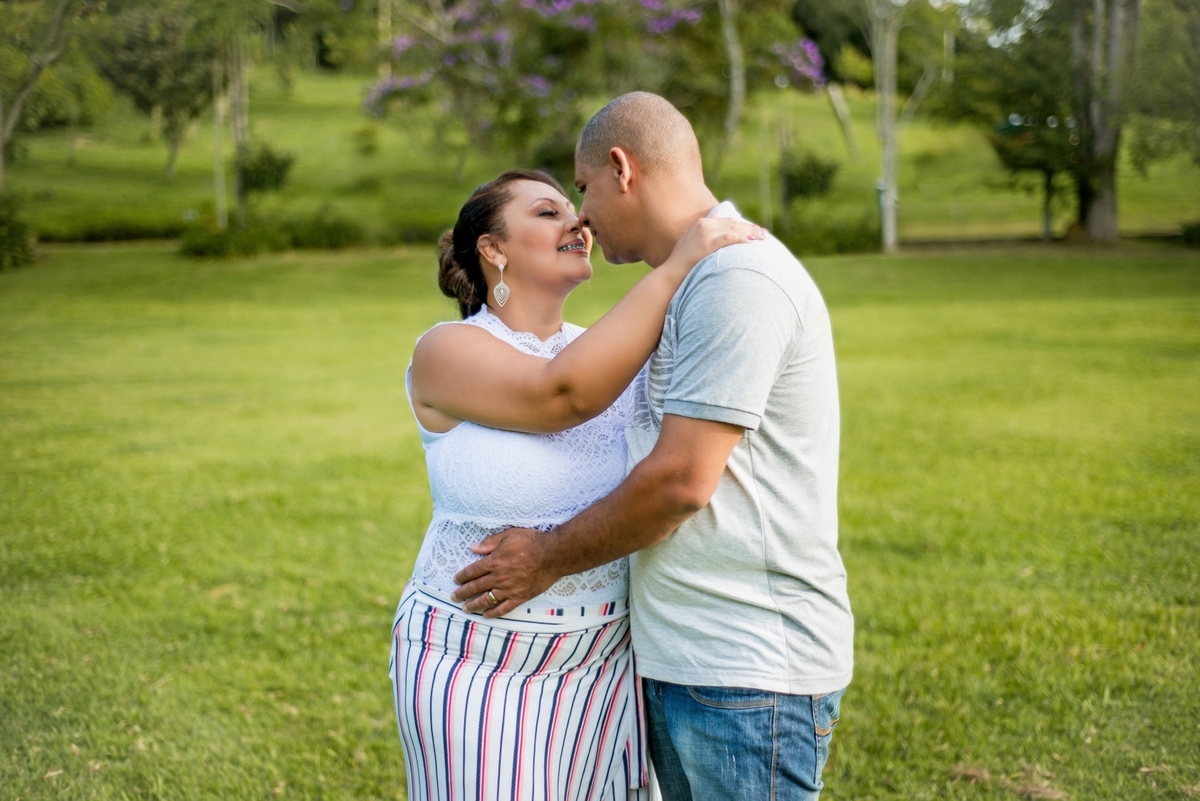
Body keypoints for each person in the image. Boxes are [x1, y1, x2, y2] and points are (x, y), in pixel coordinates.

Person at [452, 93, 854, 800]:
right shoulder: (689, 282)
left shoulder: (737, 277)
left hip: (746, 669)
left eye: (583, 189)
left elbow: (679, 482)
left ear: (622, 168)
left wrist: (543, 558)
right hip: (686, 660)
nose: (581, 216)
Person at [393, 167, 763, 801]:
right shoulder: (445, 350)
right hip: (478, 660)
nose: (579, 221)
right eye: (548, 212)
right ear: (493, 248)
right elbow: (559, 395)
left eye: (575, 207)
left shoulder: (605, 353)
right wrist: (677, 265)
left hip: (607, 663)